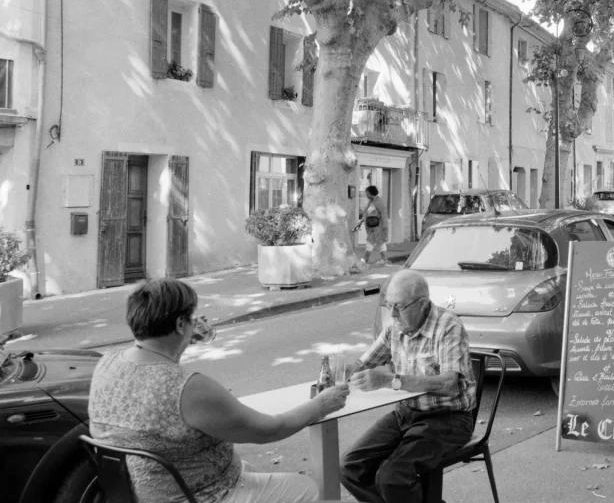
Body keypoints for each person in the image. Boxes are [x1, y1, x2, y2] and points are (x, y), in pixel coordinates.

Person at [89, 279, 350, 503]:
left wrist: (180, 341)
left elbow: (151, 383)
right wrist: (321, 405)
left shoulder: (106, 363)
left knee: (249, 468)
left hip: (141, 490)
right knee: (306, 490)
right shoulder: (188, 387)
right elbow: (269, 430)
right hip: (198, 495)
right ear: (181, 324)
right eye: (191, 318)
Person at [340, 270, 476, 503]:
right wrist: (344, 371)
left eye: (399, 306)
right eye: (388, 305)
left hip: (449, 418)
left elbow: (448, 384)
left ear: (422, 304)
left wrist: (390, 380)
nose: (392, 313)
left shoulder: (448, 326)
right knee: (349, 468)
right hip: (406, 414)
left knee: (391, 476)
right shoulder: (395, 327)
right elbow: (364, 364)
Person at [357, 185, 390, 268]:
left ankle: (365, 259)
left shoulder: (379, 202)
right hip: (371, 227)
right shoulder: (371, 202)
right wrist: (360, 222)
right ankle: (384, 259)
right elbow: (365, 213)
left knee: (370, 241)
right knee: (380, 242)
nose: (366, 195)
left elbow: (384, 215)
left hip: (377, 227)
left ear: (371, 193)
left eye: (367, 193)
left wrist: (385, 228)